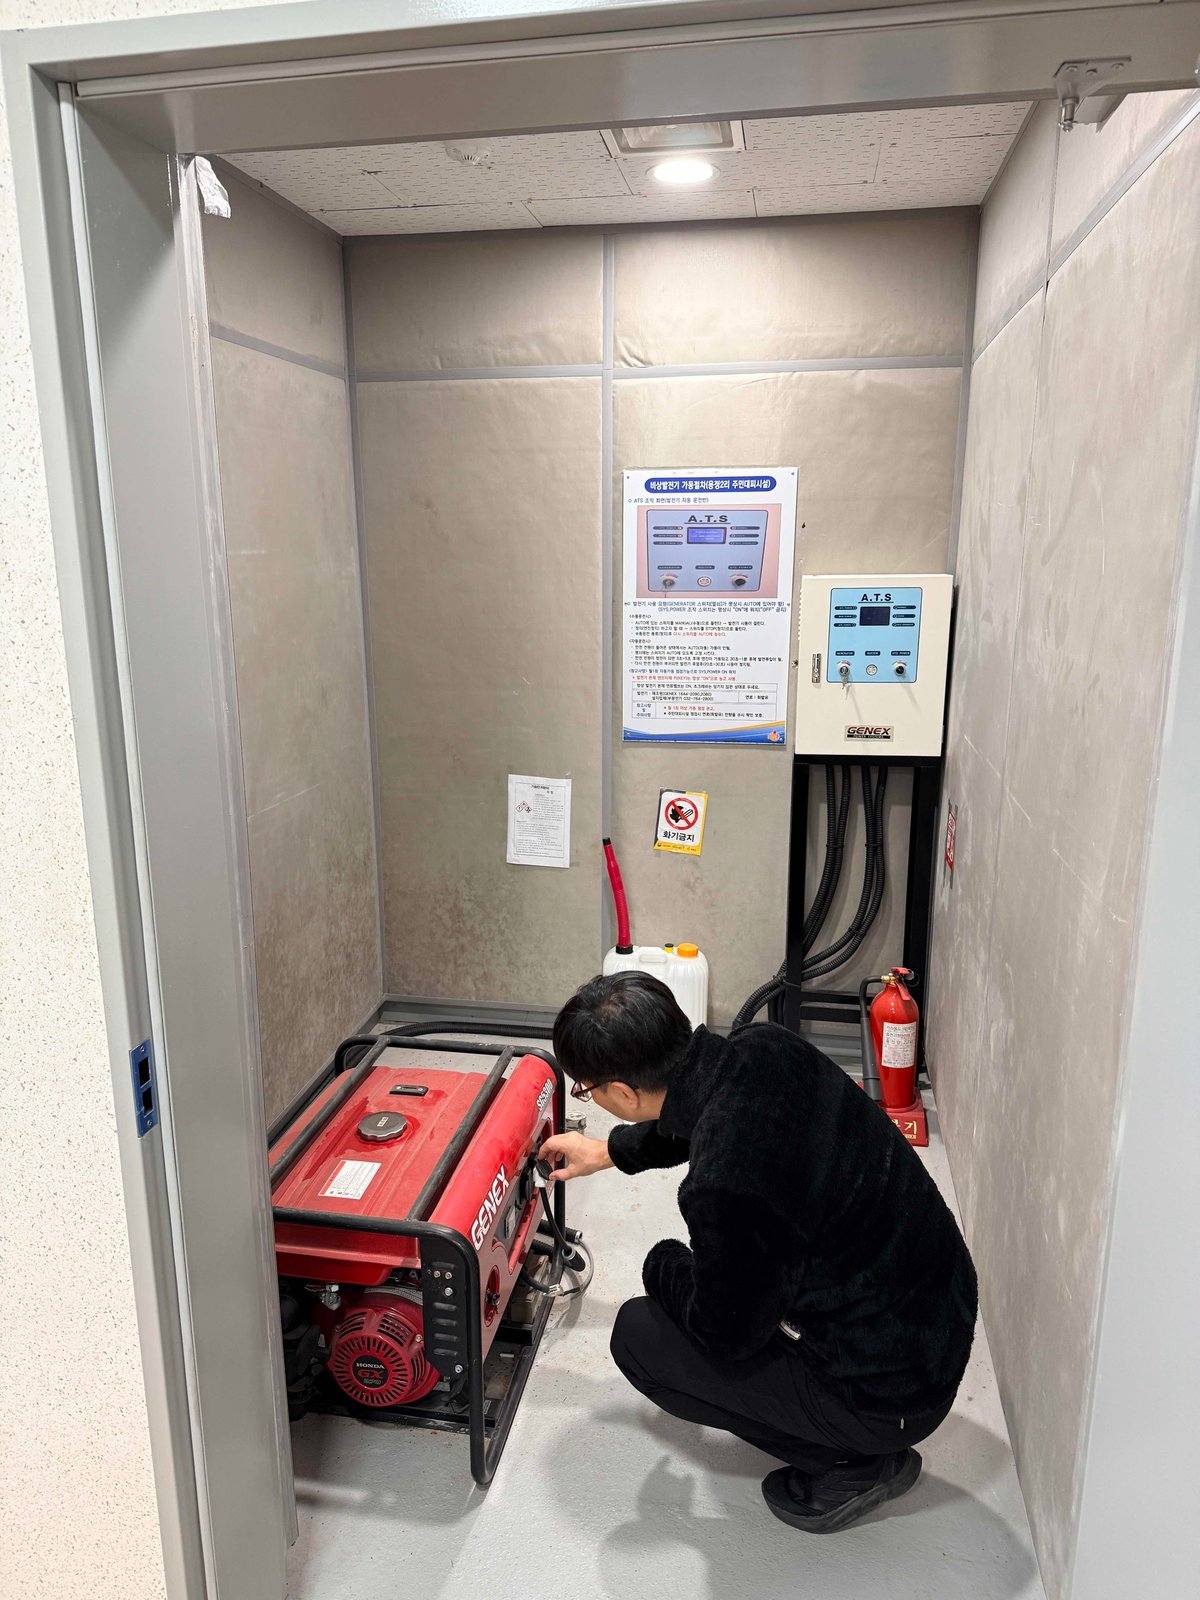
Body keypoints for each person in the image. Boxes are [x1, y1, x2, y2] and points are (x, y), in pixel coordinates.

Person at [538, 970, 978, 1534]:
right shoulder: (765, 1046)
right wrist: (608, 1152)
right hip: (938, 1318)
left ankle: (856, 1463)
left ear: (622, 1093)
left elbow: (727, 1333)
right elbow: (696, 1109)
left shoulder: (723, 1185)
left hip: (888, 1397)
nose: (590, 1096)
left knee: (639, 1336)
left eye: (587, 1089)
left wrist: (662, 1265)